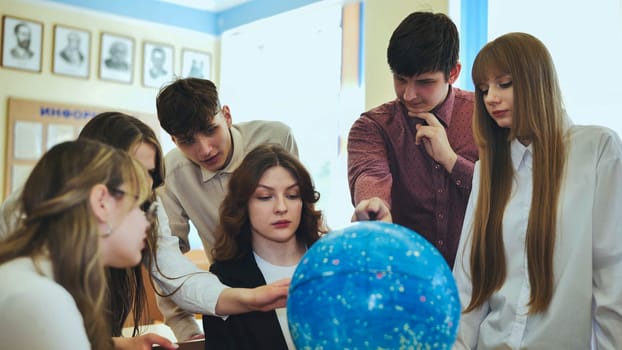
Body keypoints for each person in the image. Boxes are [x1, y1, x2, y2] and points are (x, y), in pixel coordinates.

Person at [0, 112, 291, 342]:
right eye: (133, 176)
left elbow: (172, 271)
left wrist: (249, 298)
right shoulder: (41, 295)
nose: (146, 196)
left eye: (149, 176)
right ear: (100, 193)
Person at [452, 32, 622, 349]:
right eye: (484, 89)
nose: (490, 98)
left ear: (536, 81)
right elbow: (468, 282)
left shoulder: (598, 150)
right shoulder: (488, 170)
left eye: (504, 84)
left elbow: (612, 275)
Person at [0, 139, 176, 350]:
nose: (147, 221)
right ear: (101, 202)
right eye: (141, 205)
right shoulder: (40, 299)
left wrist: (117, 345)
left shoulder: (33, 277)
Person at [154, 77, 298, 335]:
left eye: (210, 130)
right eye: (188, 141)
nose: (205, 149)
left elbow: (304, 211)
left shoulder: (276, 138)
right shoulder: (172, 174)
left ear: (227, 115)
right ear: (174, 140)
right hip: (232, 298)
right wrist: (184, 327)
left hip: (294, 285)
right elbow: (166, 259)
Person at [347, 11, 477, 268]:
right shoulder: (373, 127)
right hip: (406, 282)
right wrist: (374, 205)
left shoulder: (483, 118)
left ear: (453, 72)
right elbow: (370, 175)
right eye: (400, 79)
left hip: (483, 285)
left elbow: (509, 194)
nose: (408, 94)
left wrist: (451, 161)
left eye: (424, 82)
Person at [203, 144, 325, 349]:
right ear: (243, 204)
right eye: (265, 197)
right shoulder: (224, 280)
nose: (281, 208)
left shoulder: (331, 262)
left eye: (292, 195)